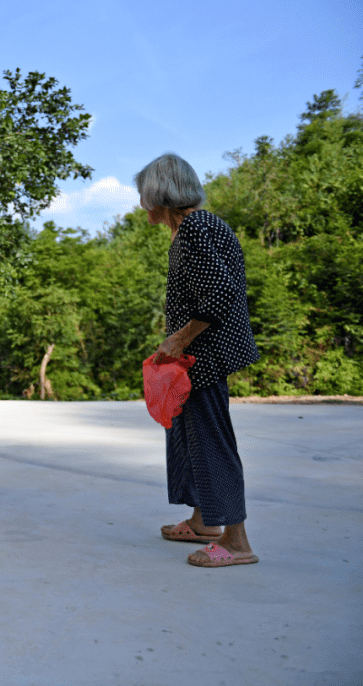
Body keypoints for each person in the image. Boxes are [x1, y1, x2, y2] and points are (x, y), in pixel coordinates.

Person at [136, 153, 260, 567]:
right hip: (194, 356)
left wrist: (178, 339)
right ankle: (204, 520)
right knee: (187, 437)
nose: (140, 202)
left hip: (201, 356)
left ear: (159, 194)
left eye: (143, 193)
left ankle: (237, 542)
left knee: (210, 441)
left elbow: (221, 294)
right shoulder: (191, 229)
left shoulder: (196, 228)